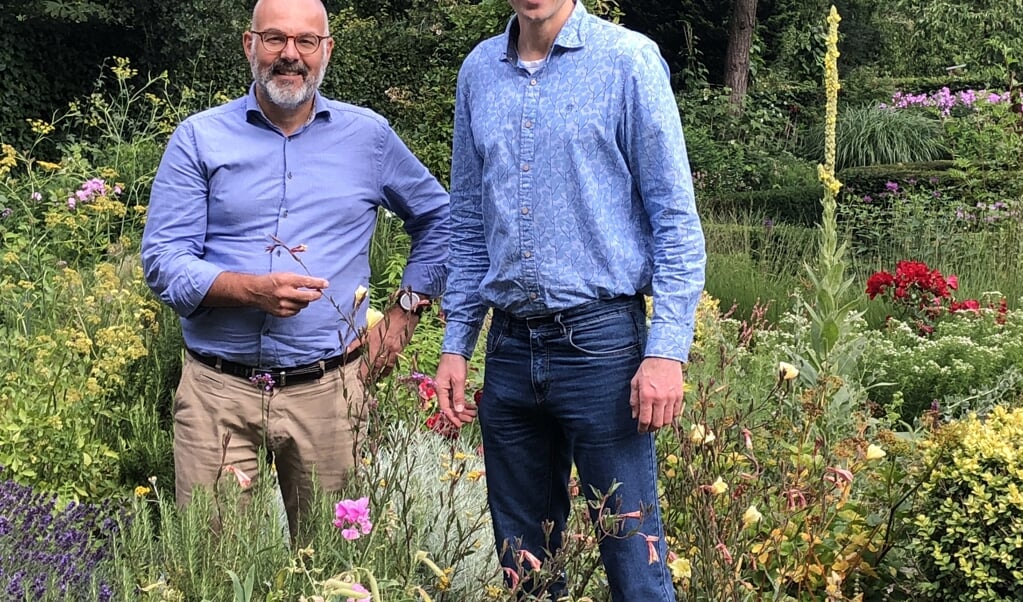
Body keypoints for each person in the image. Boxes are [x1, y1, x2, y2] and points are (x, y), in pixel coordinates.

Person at [141, 0, 449, 538]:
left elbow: (442, 219)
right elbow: (164, 261)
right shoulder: (199, 138)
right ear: (249, 44)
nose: (291, 55)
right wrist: (247, 290)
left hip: (330, 393)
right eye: (275, 38)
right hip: (218, 392)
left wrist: (402, 315)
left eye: (306, 41)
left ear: (326, 50)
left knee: (336, 568)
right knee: (214, 568)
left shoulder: (369, 138)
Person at [435, 0, 706, 599]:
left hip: (603, 348)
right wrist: (457, 343)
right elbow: (468, 223)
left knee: (635, 563)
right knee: (525, 570)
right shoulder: (478, 72)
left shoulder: (628, 62)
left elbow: (675, 220)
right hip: (507, 351)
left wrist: (666, 351)